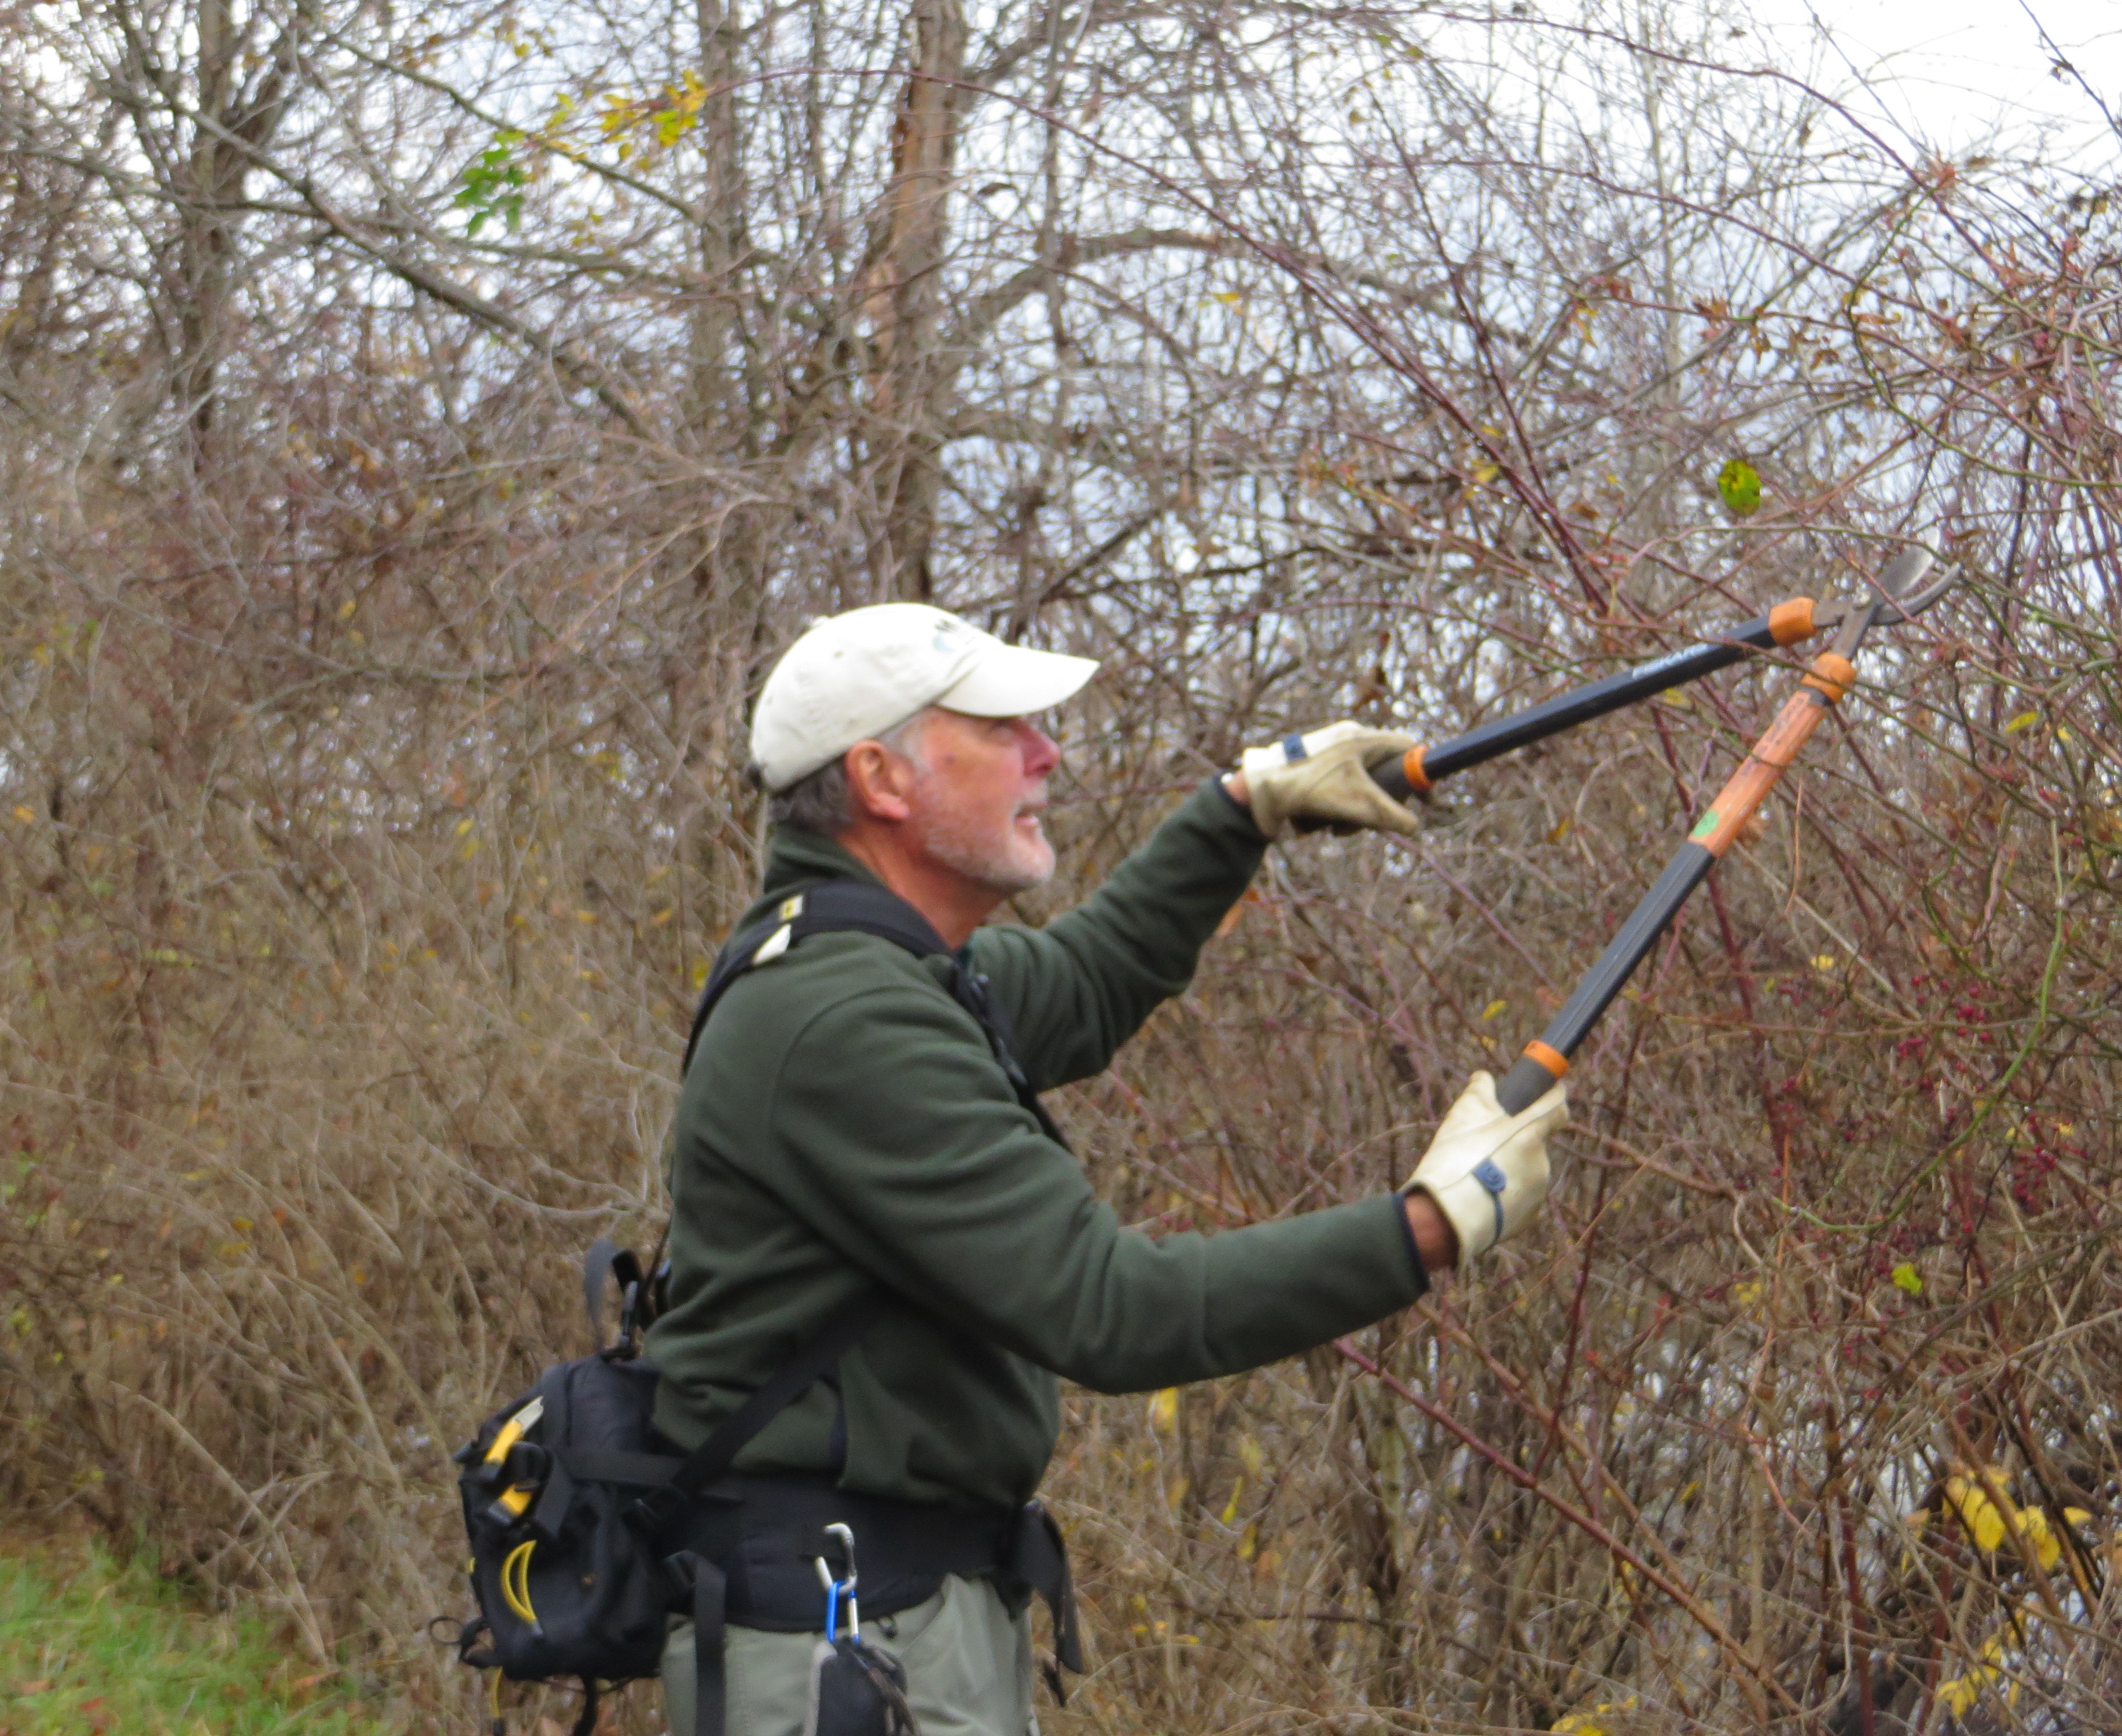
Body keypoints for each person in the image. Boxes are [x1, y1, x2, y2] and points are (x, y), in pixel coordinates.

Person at [648, 603, 1568, 1736]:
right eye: (1000, 729)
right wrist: (1428, 1226)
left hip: (879, 1615)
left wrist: (1242, 810)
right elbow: (1115, 1311)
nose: (1047, 752)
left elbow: (1083, 983)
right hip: (840, 1638)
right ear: (880, 776)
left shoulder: (872, 964)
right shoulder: (842, 1017)